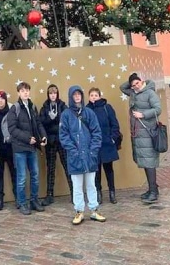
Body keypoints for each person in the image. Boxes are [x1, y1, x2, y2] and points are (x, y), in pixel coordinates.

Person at [59, 85, 106, 225]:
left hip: (89, 156)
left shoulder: (89, 113)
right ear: (71, 97)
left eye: (79, 94)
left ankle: (94, 209)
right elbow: (64, 136)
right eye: (74, 95)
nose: (77, 97)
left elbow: (96, 132)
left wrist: (93, 151)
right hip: (75, 157)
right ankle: (79, 211)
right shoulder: (66, 115)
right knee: (77, 186)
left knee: (91, 185)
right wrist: (73, 151)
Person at [120, 73, 162, 203]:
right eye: (133, 85)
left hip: (148, 132)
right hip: (139, 134)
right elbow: (122, 87)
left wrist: (143, 114)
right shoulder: (133, 93)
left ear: (142, 81)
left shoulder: (150, 93)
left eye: (137, 83)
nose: (135, 86)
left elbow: (158, 109)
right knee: (145, 161)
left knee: (149, 162)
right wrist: (132, 79)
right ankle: (152, 189)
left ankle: (153, 192)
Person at [7, 81, 47, 215]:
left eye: (27, 90)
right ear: (18, 93)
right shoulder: (15, 108)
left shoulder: (32, 107)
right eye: (22, 91)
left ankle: (34, 201)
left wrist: (43, 136)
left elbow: (38, 124)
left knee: (35, 175)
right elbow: (12, 129)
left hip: (32, 148)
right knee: (22, 178)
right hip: (20, 149)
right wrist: (27, 138)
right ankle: (22, 203)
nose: (25, 93)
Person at [39, 84, 72, 205]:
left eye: (54, 93)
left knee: (67, 167)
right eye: (50, 93)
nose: (53, 95)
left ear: (57, 94)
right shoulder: (44, 107)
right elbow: (41, 123)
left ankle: (74, 193)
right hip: (51, 142)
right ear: (48, 95)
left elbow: (67, 121)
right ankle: (49, 195)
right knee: (51, 168)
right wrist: (50, 119)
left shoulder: (63, 105)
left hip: (62, 141)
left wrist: (56, 118)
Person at [87, 87, 120, 204]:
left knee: (109, 169)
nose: (94, 97)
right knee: (96, 171)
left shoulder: (107, 108)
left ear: (100, 96)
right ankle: (98, 193)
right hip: (94, 145)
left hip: (106, 143)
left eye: (96, 95)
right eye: (91, 95)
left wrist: (113, 138)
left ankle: (112, 192)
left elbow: (114, 124)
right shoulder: (87, 110)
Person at [0, 90, 17, 211]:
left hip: (11, 148)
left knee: (15, 174)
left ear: (6, 100)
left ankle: (18, 198)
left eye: (2, 99)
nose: (0, 101)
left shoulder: (12, 112)